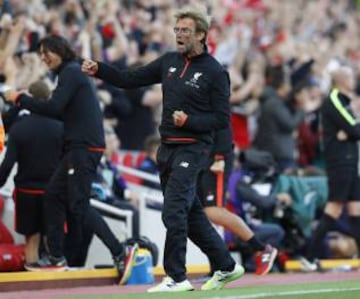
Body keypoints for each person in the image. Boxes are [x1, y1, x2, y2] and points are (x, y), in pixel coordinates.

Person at [82, 4, 244, 292]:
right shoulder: (169, 61)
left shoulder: (215, 71)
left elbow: (222, 118)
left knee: (173, 211)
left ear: (201, 35)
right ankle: (226, 265)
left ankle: (176, 277)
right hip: (167, 148)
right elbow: (130, 79)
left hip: (193, 149)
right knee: (192, 215)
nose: (179, 35)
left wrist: (190, 120)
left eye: (185, 31)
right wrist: (100, 69)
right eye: (177, 30)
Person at [4, 35, 137, 284]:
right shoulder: (69, 74)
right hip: (80, 145)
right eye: (41, 54)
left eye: (46, 52)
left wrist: (20, 98)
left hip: (83, 147)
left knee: (78, 205)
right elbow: (62, 111)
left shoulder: (71, 72)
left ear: (59, 50)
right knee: (53, 194)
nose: (43, 58)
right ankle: (56, 256)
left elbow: (54, 108)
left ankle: (120, 251)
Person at [300, 66, 360, 271]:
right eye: (351, 76)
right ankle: (308, 256)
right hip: (340, 162)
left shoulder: (345, 101)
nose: (354, 80)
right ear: (342, 80)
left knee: (356, 211)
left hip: (350, 161)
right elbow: (354, 129)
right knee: (333, 209)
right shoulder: (334, 99)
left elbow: (352, 130)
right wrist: (351, 132)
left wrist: (351, 132)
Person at [197, 127, 278, 276]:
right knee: (195, 215)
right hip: (199, 155)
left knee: (212, 211)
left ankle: (260, 248)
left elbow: (221, 117)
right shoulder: (239, 178)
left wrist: (220, 157)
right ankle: (217, 267)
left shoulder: (239, 179)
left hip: (213, 156)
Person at [0, 80, 62, 264]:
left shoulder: (20, 128)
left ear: (30, 98)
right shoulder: (60, 127)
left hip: (27, 191)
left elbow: (8, 163)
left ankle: (30, 286)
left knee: (32, 240)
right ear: (48, 98)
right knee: (52, 240)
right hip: (53, 190)